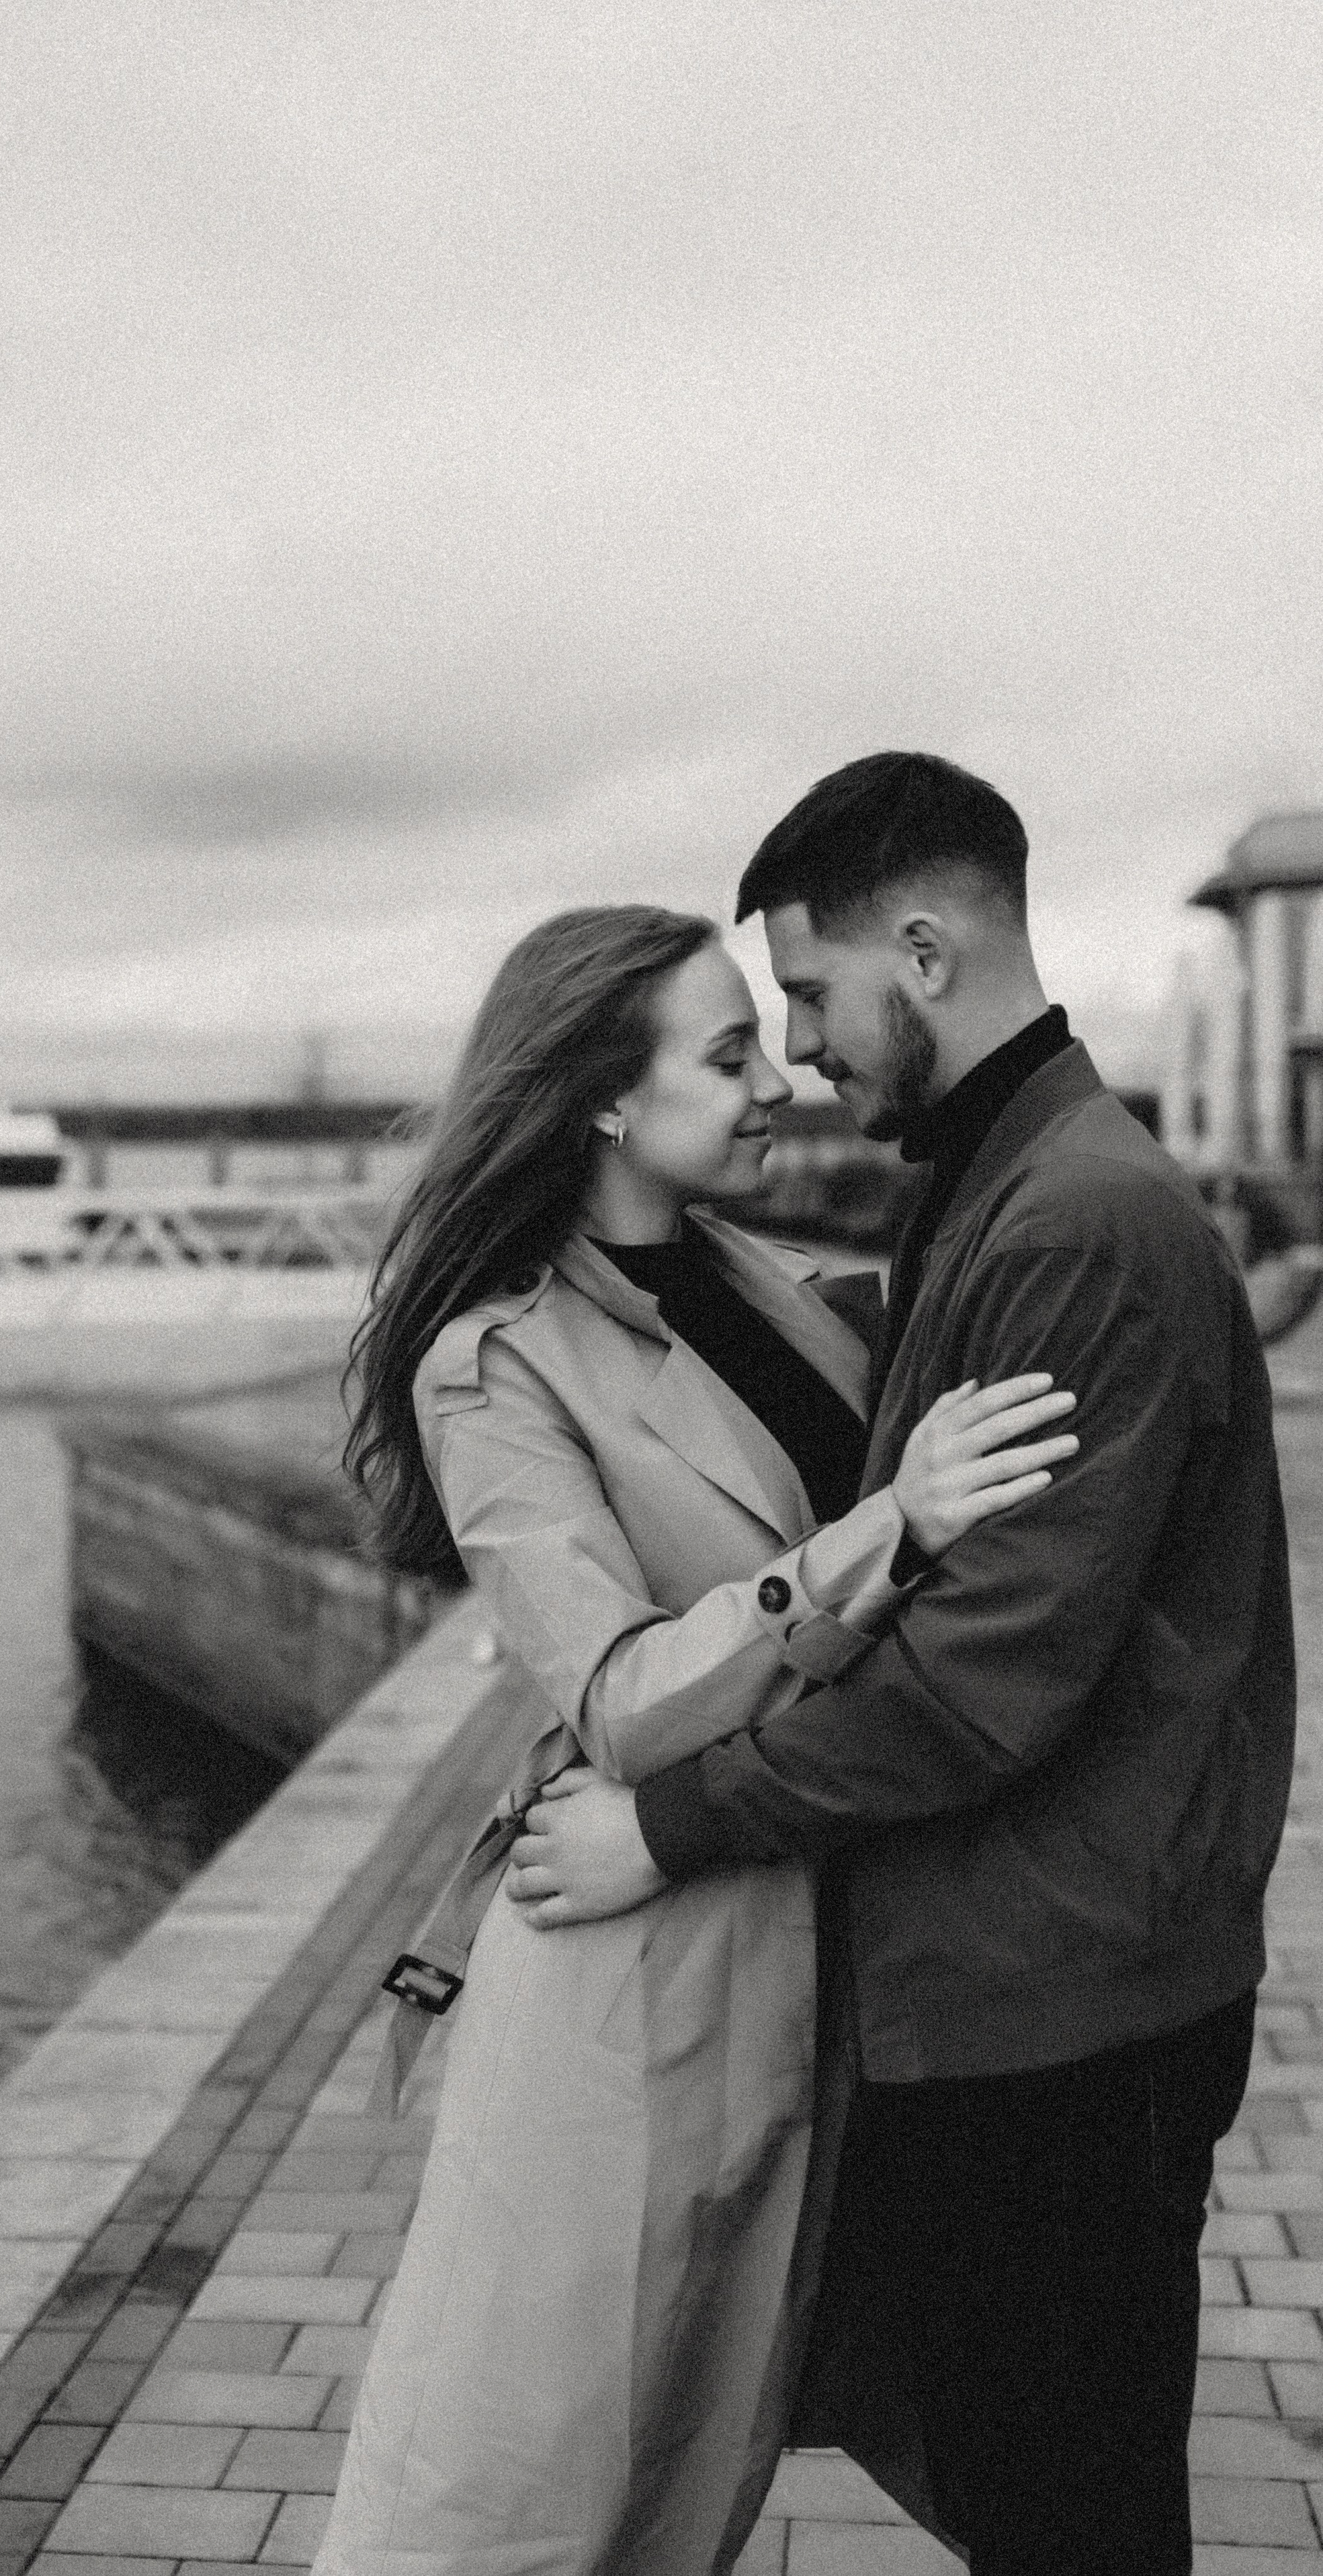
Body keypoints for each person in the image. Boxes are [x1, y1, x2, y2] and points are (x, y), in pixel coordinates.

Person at [506, 754, 1297, 2576]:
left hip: (1063, 2001)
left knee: (1071, 2520)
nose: (800, 1049)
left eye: (809, 993)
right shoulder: (1005, 1178)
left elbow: (975, 1687)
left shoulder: (1073, 1218)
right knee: (1040, 2491)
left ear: (924, 950)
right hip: (1037, 1973)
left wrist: (674, 1822)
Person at [312, 902, 1078, 2576]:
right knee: (518, 2486)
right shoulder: (490, 1361)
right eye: (728, 1053)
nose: (772, 1084)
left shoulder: (769, 1287)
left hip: (794, 1938)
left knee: (690, 2478)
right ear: (601, 1091)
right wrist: (892, 1525)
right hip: (629, 1980)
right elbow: (614, 1693)